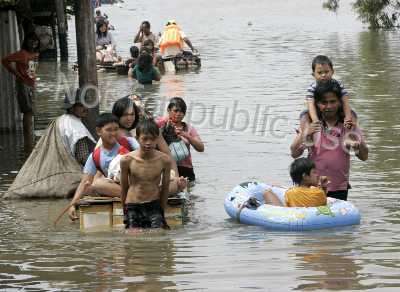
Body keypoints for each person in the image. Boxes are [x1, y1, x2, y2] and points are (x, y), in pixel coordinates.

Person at [290, 79, 368, 201]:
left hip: (339, 187)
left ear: (340, 103)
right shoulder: (311, 123)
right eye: (323, 102)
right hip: (313, 186)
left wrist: (358, 146)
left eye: (333, 101)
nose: (329, 106)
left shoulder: (348, 124)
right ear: (316, 104)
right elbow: (294, 153)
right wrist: (306, 133)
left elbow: (364, 157)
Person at [68, 113, 139, 220]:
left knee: (174, 182)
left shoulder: (127, 145)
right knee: (97, 184)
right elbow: (84, 182)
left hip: (136, 184)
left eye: (116, 129)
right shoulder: (95, 156)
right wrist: (72, 205)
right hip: (120, 188)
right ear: (98, 131)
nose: (113, 133)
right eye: (109, 130)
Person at [110, 96, 187, 192]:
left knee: (174, 182)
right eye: (125, 115)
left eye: (132, 114)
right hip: (127, 175)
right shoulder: (112, 133)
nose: (129, 118)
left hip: (146, 173)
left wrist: (176, 176)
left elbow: (168, 155)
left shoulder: (145, 130)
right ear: (118, 115)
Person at [120, 119, 172, 229]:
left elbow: (165, 188)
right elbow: (124, 187)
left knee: (157, 237)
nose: (148, 143)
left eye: (152, 139)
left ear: (157, 139)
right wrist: (124, 212)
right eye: (144, 139)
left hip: (154, 205)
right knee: (133, 240)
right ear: (137, 138)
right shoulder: (127, 160)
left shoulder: (165, 160)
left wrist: (162, 214)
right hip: (133, 205)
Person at [1, 32, 40, 152]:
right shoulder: (21, 54)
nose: (33, 43)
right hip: (23, 84)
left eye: (35, 41)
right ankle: (28, 140)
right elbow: (5, 60)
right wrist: (16, 73)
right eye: (31, 40)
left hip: (31, 84)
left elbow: (33, 69)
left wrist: (34, 81)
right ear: (26, 41)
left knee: (31, 111)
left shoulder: (35, 54)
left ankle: (29, 139)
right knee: (27, 111)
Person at [303, 55, 354, 144]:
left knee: (352, 116)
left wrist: (348, 117)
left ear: (332, 72)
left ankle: (349, 136)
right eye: (319, 72)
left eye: (326, 72)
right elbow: (310, 104)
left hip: (337, 109)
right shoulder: (312, 88)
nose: (323, 75)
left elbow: (345, 100)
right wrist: (315, 121)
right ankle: (307, 137)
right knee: (303, 115)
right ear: (313, 75)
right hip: (318, 110)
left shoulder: (338, 84)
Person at [156, 97, 204, 182]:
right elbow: (146, 128)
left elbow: (201, 148)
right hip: (165, 166)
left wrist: (185, 135)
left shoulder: (189, 128)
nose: (178, 114)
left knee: (188, 193)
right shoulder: (160, 124)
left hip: (186, 168)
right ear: (169, 110)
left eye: (182, 111)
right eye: (176, 111)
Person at [263, 158, 328, 207]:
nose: (317, 175)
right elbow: (323, 204)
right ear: (305, 176)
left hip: (293, 219)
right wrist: (323, 188)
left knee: (268, 191)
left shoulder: (289, 193)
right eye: (314, 172)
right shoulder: (318, 192)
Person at [59, 88, 96, 166]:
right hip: (72, 169)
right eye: (81, 105)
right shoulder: (78, 129)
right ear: (72, 108)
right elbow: (83, 158)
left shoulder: (59, 120)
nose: (86, 108)